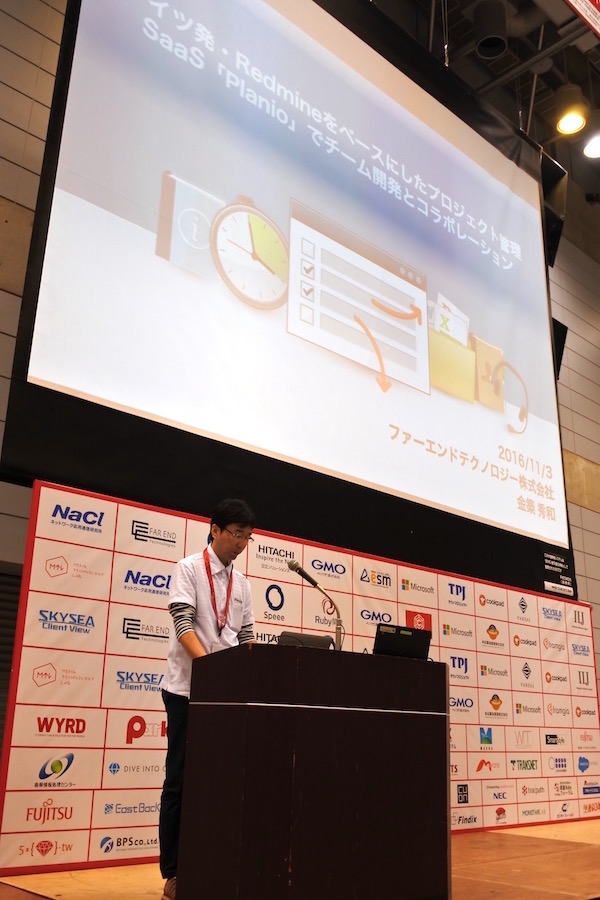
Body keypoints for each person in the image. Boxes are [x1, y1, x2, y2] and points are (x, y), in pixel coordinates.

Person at [158, 498, 257, 900]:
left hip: (226, 699)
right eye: (236, 534)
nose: (241, 543)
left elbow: (245, 637)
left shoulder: (243, 585)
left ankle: (214, 863)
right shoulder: (188, 569)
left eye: (247, 538)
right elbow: (183, 624)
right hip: (187, 691)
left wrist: (246, 673)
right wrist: (212, 672)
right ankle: (174, 873)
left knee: (222, 782)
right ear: (215, 530)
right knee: (179, 782)